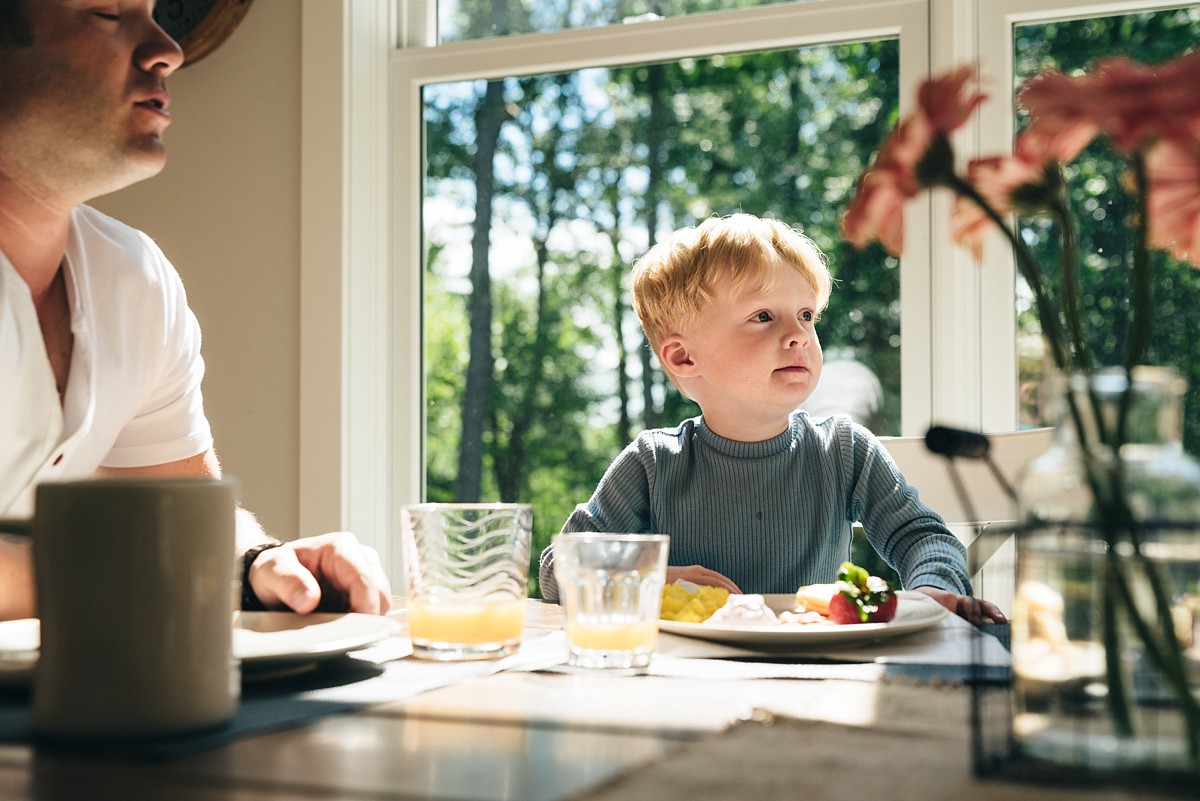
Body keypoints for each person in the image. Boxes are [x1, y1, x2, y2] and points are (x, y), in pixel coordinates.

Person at [0, 0, 390, 621]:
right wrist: (145, 570)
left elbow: (178, 514)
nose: (168, 49)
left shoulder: (134, 279)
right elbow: (163, 554)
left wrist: (256, 565)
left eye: (155, 13)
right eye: (106, 11)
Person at [538, 213, 1005, 624]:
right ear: (682, 358)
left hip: (814, 670)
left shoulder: (844, 450)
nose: (799, 335)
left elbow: (922, 536)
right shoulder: (653, 463)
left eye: (806, 314)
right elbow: (558, 571)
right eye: (763, 315)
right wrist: (651, 576)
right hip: (688, 679)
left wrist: (928, 592)